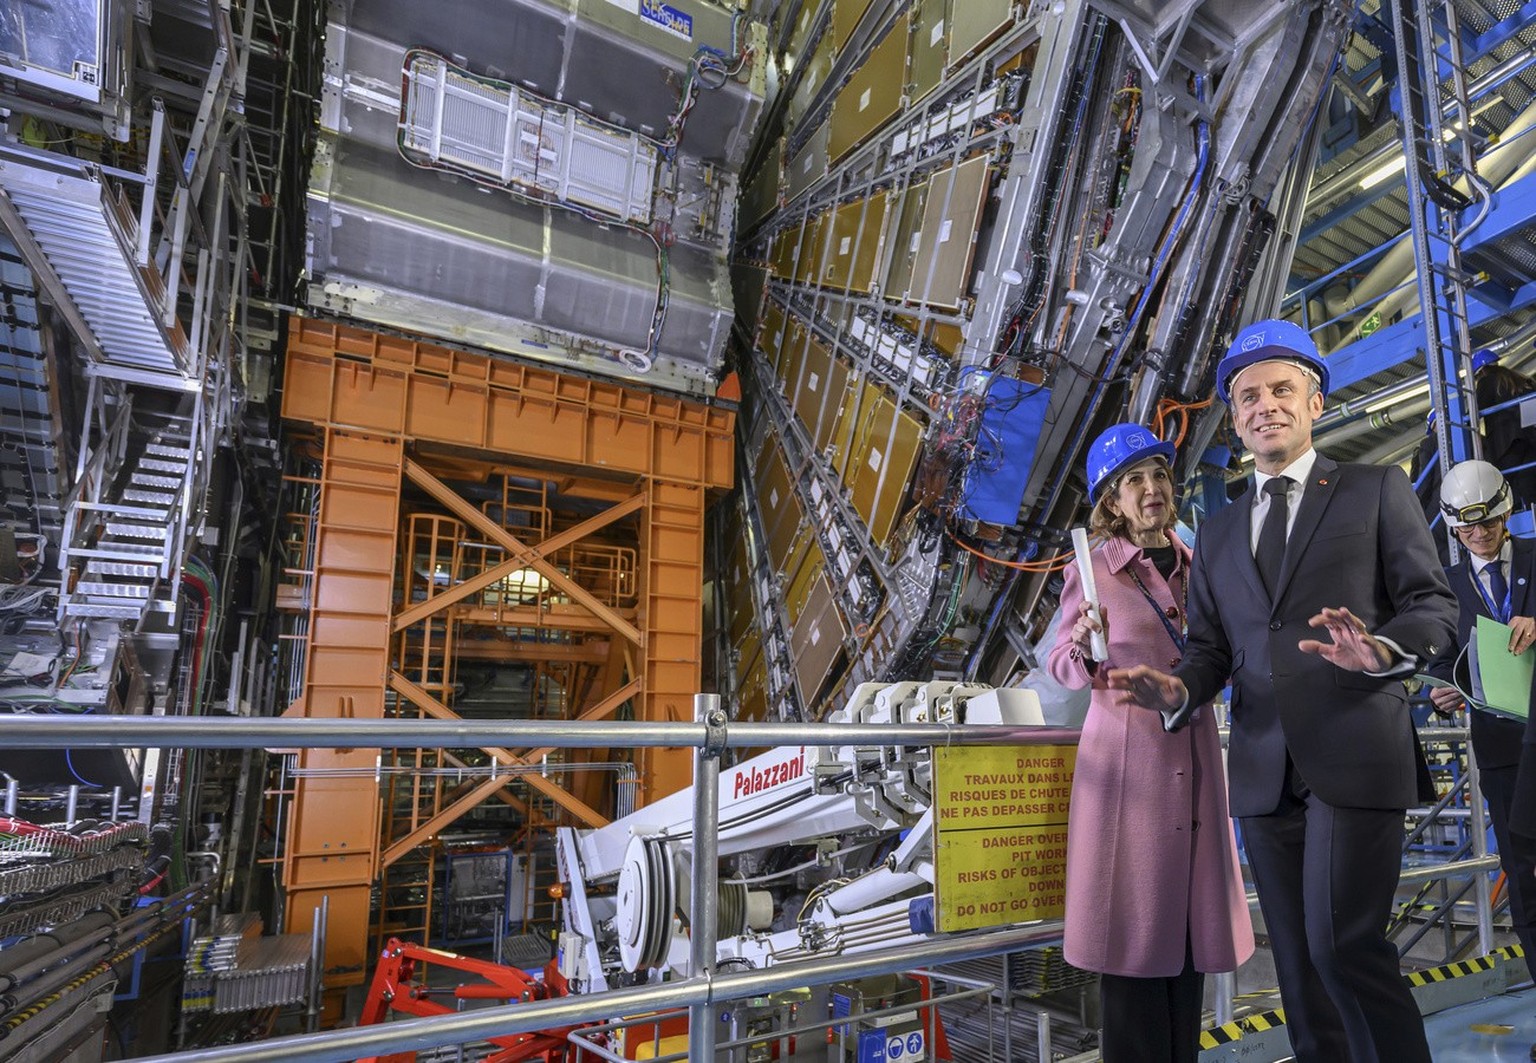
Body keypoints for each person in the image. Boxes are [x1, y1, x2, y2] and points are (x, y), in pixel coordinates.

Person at [1106, 319, 1457, 1063]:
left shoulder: (1374, 490)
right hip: (1266, 772)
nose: (1264, 405)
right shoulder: (1221, 532)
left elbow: (1434, 605)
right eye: (1247, 395)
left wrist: (1384, 649)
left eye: (1280, 389)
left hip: (1355, 749)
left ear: (1315, 402)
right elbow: (1209, 649)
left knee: (1344, 945)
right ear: (1234, 418)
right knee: (1299, 968)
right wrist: (1177, 688)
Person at [1046, 423, 1253, 1063]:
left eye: (1159, 475)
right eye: (1133, 480)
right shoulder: (1094, 573)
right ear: (1112, 501)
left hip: (1193, 763)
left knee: (1188, 938)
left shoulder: (1200, 565)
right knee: (1133, 940)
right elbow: (1057, 660)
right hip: (1129, 777)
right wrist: (1081, 644)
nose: (1151, 488)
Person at [1426, 461, 1536, 989]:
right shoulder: (1445, 589)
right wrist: (1443, 691)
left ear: (1506, 509)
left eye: (1488, 523)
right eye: (1466, 528)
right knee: (1526, 881)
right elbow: (1447, 661)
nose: (1479, 535)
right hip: (1504, 755)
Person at [1474, 349, 1536, 510]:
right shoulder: (1519, 379)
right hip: (1530, 440)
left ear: (1480, 372)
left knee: (1500, 485)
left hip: (1507, 444)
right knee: (1526, 479)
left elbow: (1474, 412)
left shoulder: (1487, 381)